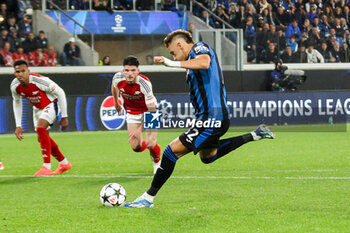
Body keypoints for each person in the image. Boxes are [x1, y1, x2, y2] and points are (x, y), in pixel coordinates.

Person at [124, 30, 274, 208]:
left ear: (180, 45)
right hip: (210, 117)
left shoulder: (200, 49)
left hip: (212, 117)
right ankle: (256, 134)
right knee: (208, 157)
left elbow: (204, 62)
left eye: (172, 51)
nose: (172, 55)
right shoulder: (190, 63)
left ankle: (147, 198)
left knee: (170, 152)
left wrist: (171, 63)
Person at [10, 60, 72, 176]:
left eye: (23, 71)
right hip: (38, 108)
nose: (20, 74)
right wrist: (18, 125)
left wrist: (64, 116)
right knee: (42, 137)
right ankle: (64, 163)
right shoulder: (14, 86)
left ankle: (46, 167)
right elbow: (17, 102)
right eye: (18, 71)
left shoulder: (40, 81)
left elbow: (60, 93)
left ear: (28, 71)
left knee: (40, 127)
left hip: (53, 103)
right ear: (14, 73)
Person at [111, 56, 161, 174]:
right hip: (132, 112)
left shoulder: (144, 84)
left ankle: (157, 161)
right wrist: (116, 102)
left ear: (138, 71)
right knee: (136, 147)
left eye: (133, 70)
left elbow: (152, 110)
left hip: (149, 112)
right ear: (123, 71)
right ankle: (147, 144)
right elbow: (114, 87)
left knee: (150, 143)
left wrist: (139, 130)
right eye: (127, 70)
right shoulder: (118, 78)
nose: (129, 74)